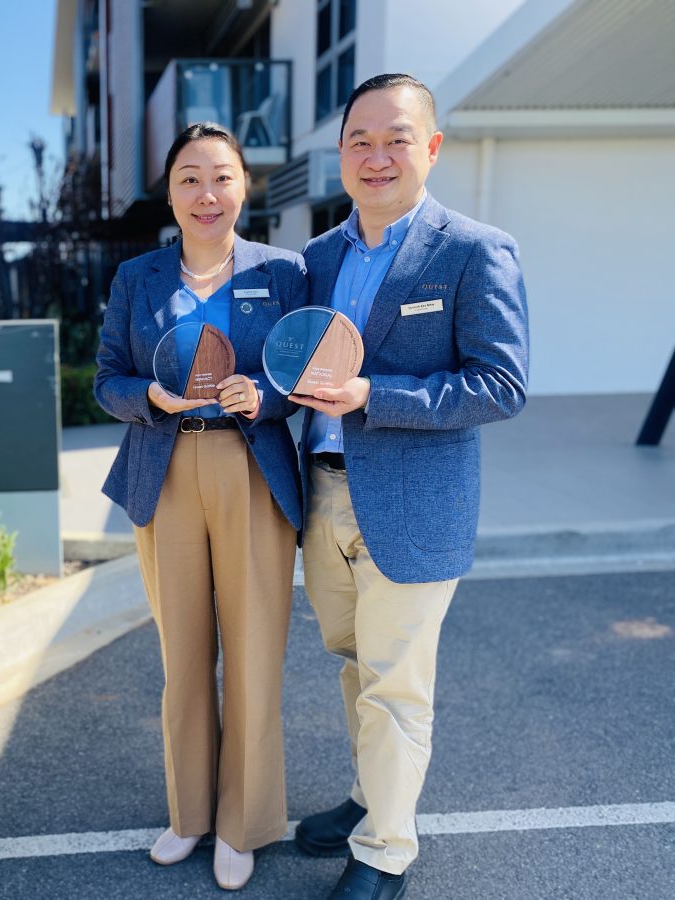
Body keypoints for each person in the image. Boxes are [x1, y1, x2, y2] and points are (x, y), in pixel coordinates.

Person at [289, 74, 529, 899]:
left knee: (396, 684)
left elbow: (500, 384)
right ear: (341, 153)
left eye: (397, 137)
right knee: (354, 665)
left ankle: (386, 850)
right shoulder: (317, 257)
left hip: (414, 506)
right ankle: (368, 799)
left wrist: (373, 397)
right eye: (360, 139)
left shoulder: (472, 249)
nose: (376, 154)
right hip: (321, 495)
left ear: (431, 147)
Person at [94, 122, 307, 890]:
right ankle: (190, 815)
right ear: (171, 191)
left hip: (252, 466)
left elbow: (308, 367)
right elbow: (107, 379)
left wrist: (271, 394)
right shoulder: (138, 279)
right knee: (182, 656)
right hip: (166, 464)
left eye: (221, 176)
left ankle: (243, 823)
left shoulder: (285, 272)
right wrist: (144, 396)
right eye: (189, 178)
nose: (206, 193)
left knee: (253, 654)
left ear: (243, 185)